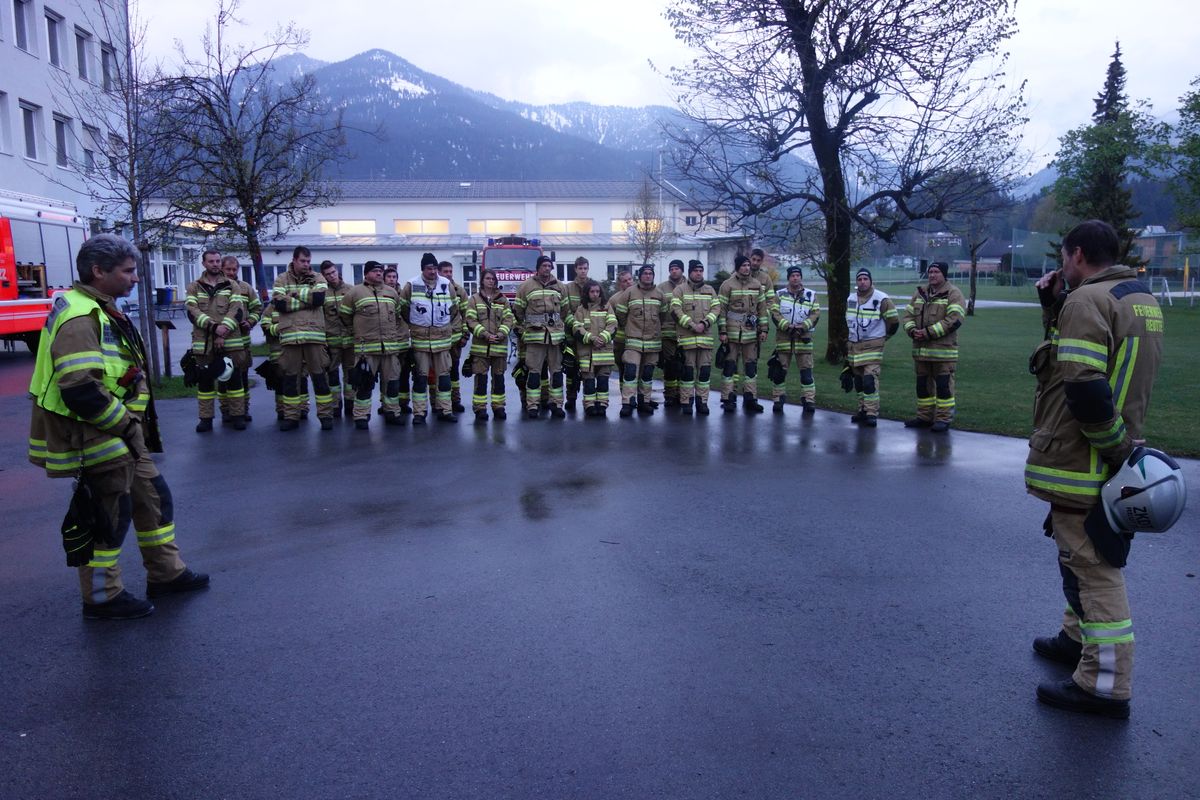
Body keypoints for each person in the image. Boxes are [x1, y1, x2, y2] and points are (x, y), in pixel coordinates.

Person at [28, 234, 208, 620]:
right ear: (98, 271)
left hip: (122, 432)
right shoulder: (81, 316)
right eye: (128, 271)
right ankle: (102, 598)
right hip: (98, 432)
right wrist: (126, 425)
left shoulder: (100, 307)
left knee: (152, 498)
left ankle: (166, 574)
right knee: (109, 513)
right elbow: (80, 389)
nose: (136, 279)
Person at [1026, 220, 1163, 719]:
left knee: (1093, 565)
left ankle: (1103, 684)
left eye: (1065, 257)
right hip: (1114, 449)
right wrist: (1052, 308)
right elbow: (1080, 363)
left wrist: (1113, 450)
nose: (1062, 266)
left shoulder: (1088, 300)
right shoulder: (1138, 298)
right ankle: (1074, 638)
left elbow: (1082, 386)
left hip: (1088, 457)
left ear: (1078, 254)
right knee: (1076, 552)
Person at [272, 246, 337, 431]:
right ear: (294, 260)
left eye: (308, 261)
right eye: (303, 261)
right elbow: (279, 304)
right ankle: (291, 416)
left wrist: (293, 294)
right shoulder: (281, 279)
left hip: (314, 336)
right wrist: (305, 300)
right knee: (291, 379)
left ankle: (325, 416)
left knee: (319, 378)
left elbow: (318, 299)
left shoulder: (318, 277)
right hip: (291, 337)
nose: (306, 265)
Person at [339, 261, 407, 429]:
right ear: (366, 274)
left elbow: (398, 315)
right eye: (375, 271)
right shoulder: (355, 292)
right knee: (364, 384)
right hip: (366, 350)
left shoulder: (391, 292)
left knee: (392, 383)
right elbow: (345, 315)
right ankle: (361, 416)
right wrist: (357, 332)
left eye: (380, 271)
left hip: (390, 349)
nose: (378, 273)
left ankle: (392, 412)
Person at [902, 262, 966, 432]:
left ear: (944, 274)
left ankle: (943, 419)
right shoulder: (920, 292)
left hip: (943, 352)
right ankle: (924, 418)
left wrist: (928, 333)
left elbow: (955, 319)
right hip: (921, 352)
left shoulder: (953, 293)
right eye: (930, 272)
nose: (932, 275)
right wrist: (912, 330)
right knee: (922, 387)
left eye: (936, 272)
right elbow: (908, 315)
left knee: (944, 387)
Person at [401, 252, 460, 423]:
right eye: (429, 268)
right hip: (421, 341)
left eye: (435, 268)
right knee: (420, 378)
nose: (433, 272)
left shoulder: (446, 284)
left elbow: (454, 308)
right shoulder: (411, 285)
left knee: (444, 378)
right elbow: (403, 310)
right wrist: (415, 325)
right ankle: (419, 413)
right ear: (422, 269)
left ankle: (445, 410)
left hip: (442, 340)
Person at [184, 249, 240, 432]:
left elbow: (236, 310)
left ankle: (237, 416)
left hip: (229, 339)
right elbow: (192, 311)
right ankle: (206, 419)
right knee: (205, 383)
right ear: (204, 264)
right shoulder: (194, 286)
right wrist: (214, 328)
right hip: (204, 342)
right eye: (211, 261)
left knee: (234, 381)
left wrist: (222, 331)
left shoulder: (232, 285)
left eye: (217, 261)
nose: (215, 264)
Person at [514, 255, 568, 419]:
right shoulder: (526, 287)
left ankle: (557, 404)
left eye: (549, 266)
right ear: (538, 268)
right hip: (535, 337)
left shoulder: (560, 286)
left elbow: (565, 311)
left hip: (555, 338)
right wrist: (524, 331)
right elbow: (518, 312)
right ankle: (533, 405)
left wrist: (561, 328)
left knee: (556, 372)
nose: (547, 268)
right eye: (544, 265)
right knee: (534, 372)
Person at [611, 264, 668, 417]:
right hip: (633, 340)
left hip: (653, 341)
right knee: (630, 372)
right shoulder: (629, 293)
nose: (648, 276)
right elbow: (621, 314)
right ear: (640, 276)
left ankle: (644, 401)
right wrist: (630, 327)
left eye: (650, 273)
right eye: (645, 273)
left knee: (647, 374)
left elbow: (663, 315)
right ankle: (628, 403)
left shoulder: (659, 294)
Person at [845, 268, 898, 427]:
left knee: (869, 380)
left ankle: (871, 413)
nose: (862, 282)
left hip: (873, 346)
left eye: (865, 279)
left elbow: (894, 322)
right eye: (859, 279)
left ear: (871, 281)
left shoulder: (882, 299)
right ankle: (862, 409)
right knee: (859, 381)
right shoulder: (851, 299)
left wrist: (884, 337)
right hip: (855, 346)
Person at [718, 254, 768, 414]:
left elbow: (762, 308)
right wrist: (723, 331)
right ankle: (728, 398)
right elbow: (722, 310)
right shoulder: (727, 285)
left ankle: (750, 398)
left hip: (751, 332)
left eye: (748, 265)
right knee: (730, 365)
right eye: (744, 265)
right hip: (732, 332)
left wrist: (764, 329)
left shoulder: (757, 284)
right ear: (738, 267)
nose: (747, 268)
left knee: (751, 366)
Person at [465, 268, 516, 423]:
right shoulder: (474, 299)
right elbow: (470, 320)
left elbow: (509, 319)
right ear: (482, 280)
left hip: (499, 347)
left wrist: (501, 334)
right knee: (481, 380)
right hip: (481, 348)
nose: (491, 281)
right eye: (488, 278)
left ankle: (498, 407)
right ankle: (480, 409)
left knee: (499, 379)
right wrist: (485, 334)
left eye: (493, 279)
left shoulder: (503, 300)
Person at [769, 266, 821, 414]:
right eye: (793, 276)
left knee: (806, 374)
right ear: (789, 278)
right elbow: (775, 313)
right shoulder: (779, 295)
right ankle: (778, 399)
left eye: (798, 275)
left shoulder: (811, 295)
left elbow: (815, 314)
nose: (795, 278)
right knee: (779, 373)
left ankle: (809, 400)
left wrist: (803, 326)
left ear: (801, 277)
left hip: (803, 340)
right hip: (784, 339)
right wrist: (787, 326)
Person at [671, 259, 720, 415]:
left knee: (704, 373)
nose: (698, 273)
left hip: (705, 340)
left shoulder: (710, 290)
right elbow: (676, 311)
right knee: (687, 373)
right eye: (695, 271)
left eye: (701, 270)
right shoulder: (679, 290)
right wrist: (692, 325)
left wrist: (704, 324)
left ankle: (702, 402)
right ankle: (687, 402)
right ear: (690, 272)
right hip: (687, 340)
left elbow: (716, 309)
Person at [219, 256, 262, 425]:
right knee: (224, 377)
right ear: (222, 269)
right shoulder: (216, 287)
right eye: (228, 269)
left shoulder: (245, 288)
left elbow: (257, 308)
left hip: (242, 342)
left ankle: (243, 409)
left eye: (234, 269)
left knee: (242, 377)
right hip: (221, 342)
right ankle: (226, 411)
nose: (231, 272)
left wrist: (250, 321)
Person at [569, 279, 618, 418]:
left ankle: (602, 404)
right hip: (587, 353)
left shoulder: (607, 306)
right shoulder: (581, 309)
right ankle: (589, 405)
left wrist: (603, 337)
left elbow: (613, 324)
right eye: (592, 291)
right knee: (588, 381)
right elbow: (577, 328)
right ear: (587, 293)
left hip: (604, 352)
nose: (595, 294)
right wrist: (591, 338)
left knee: (603, 380)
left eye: (597, 291)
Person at [320, 260, 355, 419]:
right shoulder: (321, 293)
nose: (331, 276)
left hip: (349, 340)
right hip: (331, 341)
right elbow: (319, 318)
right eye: (327, 274)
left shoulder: (350, 290)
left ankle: (350, 403)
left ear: (337, 271)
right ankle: (335, 405)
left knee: (351, 374)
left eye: (333, 272)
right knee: (332, 375)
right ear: (323, 276)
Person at [438, 260, 470, 414]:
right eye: (445, 271)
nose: (449, 274)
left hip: (455, 340)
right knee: (438, 373)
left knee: (454, 372)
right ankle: (439, 403)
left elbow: (466, 315)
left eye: (450, 271)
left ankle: (455, 400)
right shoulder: (432, 289)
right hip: (436, 340)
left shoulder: (460, 291)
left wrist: (465, 336)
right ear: (438, 272)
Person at [562, 256, 591, 412]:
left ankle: (589, 400)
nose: (583, 271)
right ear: (575, 269)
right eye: (580, 268)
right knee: (571, 370)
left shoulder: (594, 286)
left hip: (589, 336)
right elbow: (565, 312)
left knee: (588, 369)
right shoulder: (568, 288)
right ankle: (571, 398)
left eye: (585, 268)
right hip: (572, 336)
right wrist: (575, 327)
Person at [657, 259, 687, 407]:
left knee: (684, 364)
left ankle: (683, 394)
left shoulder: (690, 287)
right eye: (672, 269)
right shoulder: (662, 288)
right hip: (667, 333)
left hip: (686, 332)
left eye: (677, 268)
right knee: (670, 365)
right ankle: (669, 394)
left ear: (682, 270)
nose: (674, 271)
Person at [609, 267, 634, 369]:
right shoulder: (614, 299)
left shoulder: (641, 295)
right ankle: (622, 385)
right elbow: (611, 319)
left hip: (636, 338)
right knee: (622, 367)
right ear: (620, 284)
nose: (628, 282)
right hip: (620, 341)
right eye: (625, 281)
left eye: (630, 279)